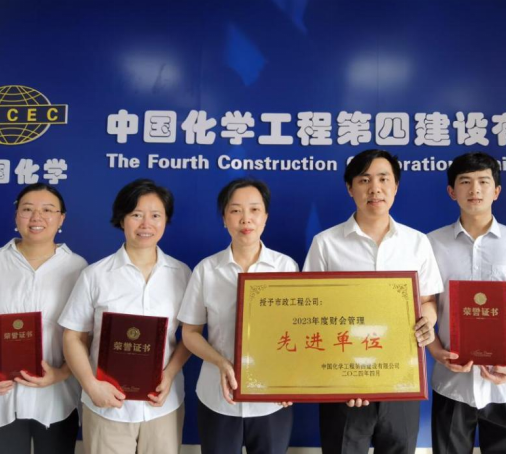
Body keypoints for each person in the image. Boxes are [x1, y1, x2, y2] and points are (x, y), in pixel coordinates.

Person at [303, 149, 442, 454]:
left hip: (402, 376)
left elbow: (428, 300)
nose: (375, 188)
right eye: (364, 180)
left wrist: (428, 322)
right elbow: (311, 312)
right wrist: (345, 377)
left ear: (396, 186)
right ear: (350, 188)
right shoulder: (326, 244)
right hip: (343, 381)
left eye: (383, 179)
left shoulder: (416, 242)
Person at [426, 152, 506, 454]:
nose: (475, 190)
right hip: (452, 381)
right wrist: (435, 351)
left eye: (484, 182)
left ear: (496, 191)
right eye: (465, 182)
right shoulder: (431, 244)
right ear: (451, 191)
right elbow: (424, 303)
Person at [59, 179, 192, 454]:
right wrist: (90, 385)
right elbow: (72, 336)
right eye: (136, 215)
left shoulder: (182, 274)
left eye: (155, 215)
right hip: (107, 405)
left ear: (165, 220)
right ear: (122, 219)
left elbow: (190, 335)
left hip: (162, 405)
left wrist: (169, 375)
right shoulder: (95, 275)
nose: (146, 224)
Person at [0, 183, 86, 454]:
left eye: (48, 210)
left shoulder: (78, 268)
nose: (37, 217)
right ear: (17, 216)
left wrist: (62, 373)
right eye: (28, 209)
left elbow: (87, 336)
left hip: (55, 399)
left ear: (61, 219)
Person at [179, 178, 297, 454]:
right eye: (235, 210)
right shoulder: (206, 270)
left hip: (272, 398)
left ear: (266, 217)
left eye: (255, 210)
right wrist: (221, 362)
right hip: (218, 396)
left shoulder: (285, 267)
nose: (246, 219)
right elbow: (190, 333)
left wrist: (291, 380)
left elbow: (297, 332)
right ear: (224, 218)